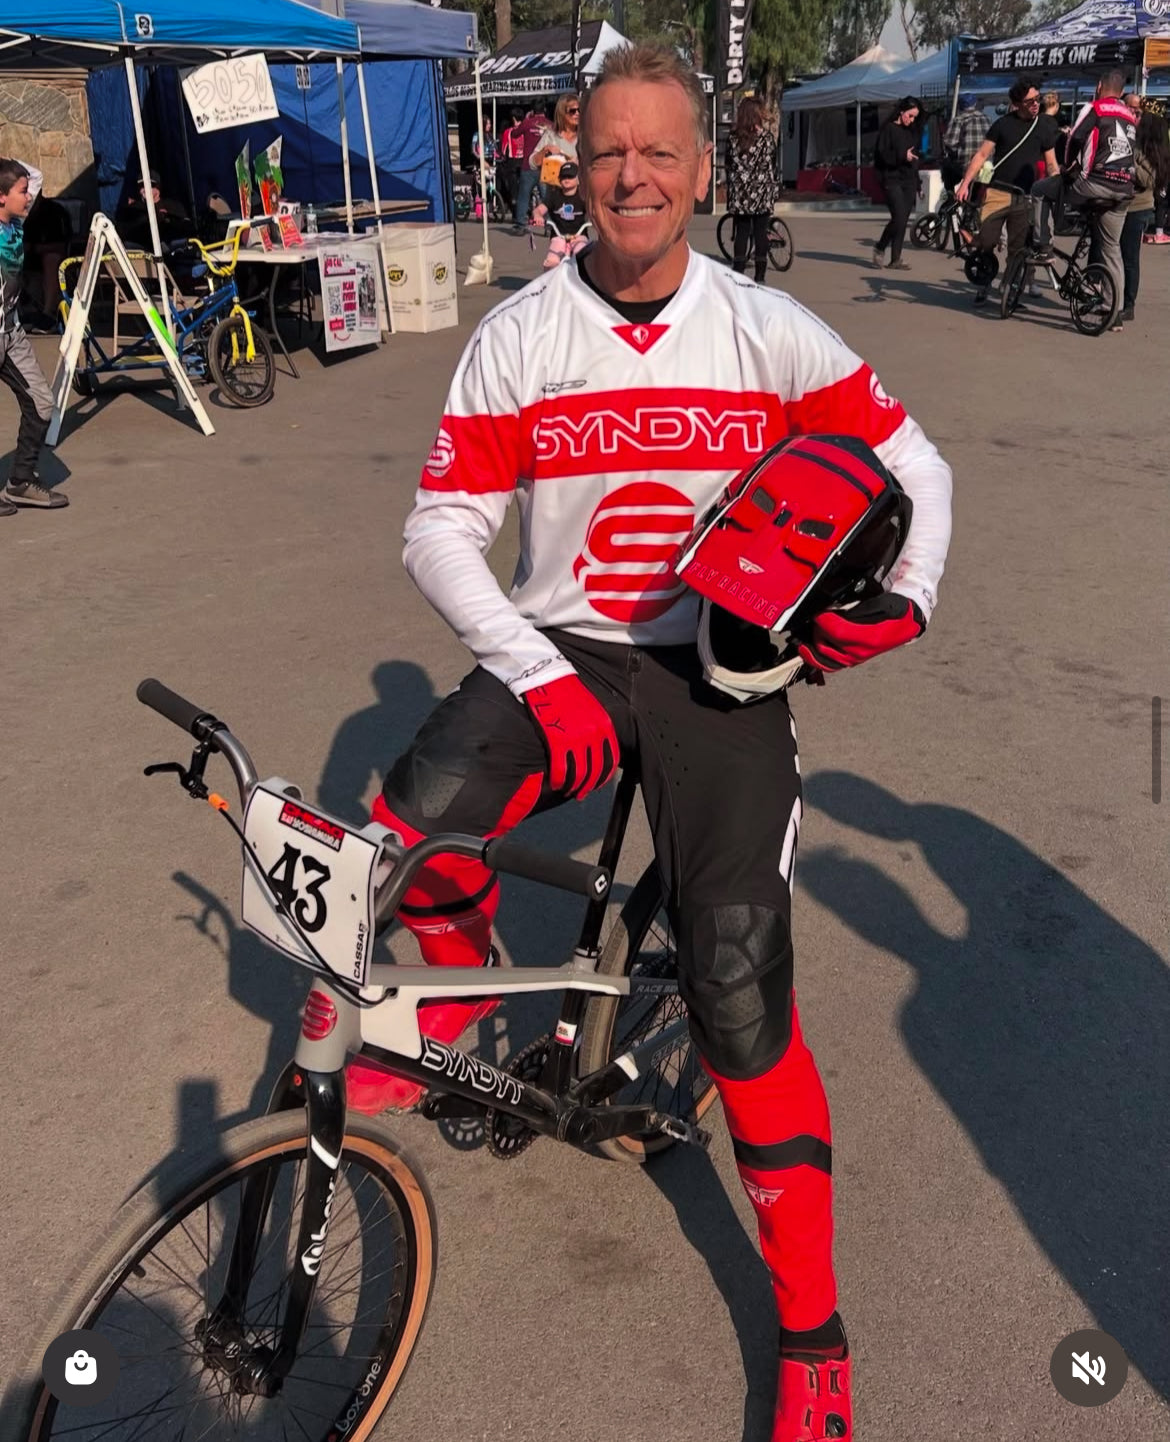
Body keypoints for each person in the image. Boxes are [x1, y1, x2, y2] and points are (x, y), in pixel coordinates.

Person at [344, 40, 952, 1442]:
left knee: (735, 984)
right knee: (416, 810)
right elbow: (439, 528)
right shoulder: (522, 331)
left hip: (715, 675)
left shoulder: (764, 324)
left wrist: (903, 599)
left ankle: (813, 1329)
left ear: (696, 172)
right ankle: (445, 996)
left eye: (657, 154)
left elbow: (912, 463)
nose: (630, 175)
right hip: (561, 651)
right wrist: (527, 669)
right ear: (574, 156)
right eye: (607, 149)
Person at [1030, 70, 1135, 323]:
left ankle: (1044, 246)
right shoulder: (1131, 116)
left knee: (1040, 191)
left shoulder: (1095, 108)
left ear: (1099, 86)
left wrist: (1067, 167)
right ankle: (1115, 312)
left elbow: (1075, 137)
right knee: (1112, 249)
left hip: (1092, 185)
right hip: (1123, 192)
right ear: (1121, 93)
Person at [0, 159, 68, 514]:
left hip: (10, 333)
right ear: (1, 197)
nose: (29, 198)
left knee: (42, 403)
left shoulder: (15, 223)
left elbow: (36, 176)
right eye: (22, 192)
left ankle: (19, 482)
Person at [957, 76, 1059, 306]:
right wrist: (965, 184)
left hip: (1024, 197)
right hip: (997, 193)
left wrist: (1058, 187)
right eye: (1030, 101)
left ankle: (1009, 288)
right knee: (986, 241)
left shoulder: (1043, 127)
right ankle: (984, 281)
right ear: (1016, 103)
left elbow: (1052, 164)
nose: (1035, 104)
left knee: (1018, 248)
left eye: (1037, 99)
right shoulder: (1002, 125)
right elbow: (982, 155)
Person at [1118, 110, 1170, 321]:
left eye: (1139, 116)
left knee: (1129, 257)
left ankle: (1129, 304)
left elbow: (1148, 180)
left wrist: (1129, 165)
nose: (1135, 118)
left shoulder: (1151, 153)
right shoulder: (1138, 146)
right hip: (1124, 204)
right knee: (1118, 255)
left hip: (1138, 208)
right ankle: (1115, 298)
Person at [725, 96, 778, 284]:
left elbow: (728, 164)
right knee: (760, 232)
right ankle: (760, 276)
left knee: (742, 231)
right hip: (762, 192)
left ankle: (738, 273)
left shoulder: (733, 138)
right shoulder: (766, 138)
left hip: (741, 194)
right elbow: (773, 162)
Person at [872, 97, 921, 270]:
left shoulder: (910, 131)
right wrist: (902, 157)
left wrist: (919, 184)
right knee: (899, 217)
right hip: (890, 178)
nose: (912, 120)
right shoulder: (888, 129)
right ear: (902, 111)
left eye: (915, 117)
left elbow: (914, 157)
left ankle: (896, 259)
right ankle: (880, 247)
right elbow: (882, 156)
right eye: (910, 115)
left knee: (903, 219)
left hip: (908, 180)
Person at [530, 160, 589, 267]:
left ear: (578, 179)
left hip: (579, 236)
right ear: (559, 179)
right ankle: (551, 282)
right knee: (551, 261)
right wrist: (538, 216)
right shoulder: (554, 196)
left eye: (570, 177)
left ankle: (581, 282)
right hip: (558, 236)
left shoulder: (583, 196)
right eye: (564, 177)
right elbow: (538, 210)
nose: (566, 180)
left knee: (581, 256)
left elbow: (594, 210)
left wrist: (595, 219)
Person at [119, 169, 190, 248]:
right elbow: (126, 229)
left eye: (150, 185)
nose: (145, 188)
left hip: (169, 248)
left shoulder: (173, 205)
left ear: (158, 187)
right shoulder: (134, 208)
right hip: (143, 249)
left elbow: (186, 227)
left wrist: (167, 218)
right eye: (141, 186)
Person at [530, 92, 580, 202]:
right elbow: (532, 162)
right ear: (562, 113)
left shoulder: (585, 136)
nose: (577, 114)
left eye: (579, 110)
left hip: (581, 197)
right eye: (573, 111)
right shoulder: (551, 135)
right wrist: (545, 151)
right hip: (556, 197)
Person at [943, 93, 989, 192]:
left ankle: (950, 195)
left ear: (960, 105)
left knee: (946, 166)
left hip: (965, 165)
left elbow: (950, 143)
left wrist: (957, 152)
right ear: (975, 104)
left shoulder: (959, 119)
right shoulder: (986, 118)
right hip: (986, 164)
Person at [512, 107, 546, 232]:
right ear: (545, 110)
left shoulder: (527, 123)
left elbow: (514, 134)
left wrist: (526, 119)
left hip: (528, 166)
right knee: (547, 198)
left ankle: (521, 225)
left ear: (532, 111)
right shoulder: (550, 124)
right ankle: (550, 225)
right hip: (545, 167)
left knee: (523, 196)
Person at [496, 110, 524, 216]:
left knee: (513, 189)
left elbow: (503, 149)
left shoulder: (508, 131)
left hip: (512, 162)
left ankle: (515, 209)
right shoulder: (526, 129)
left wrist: (502, 157)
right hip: (524, 161)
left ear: (513, 119)